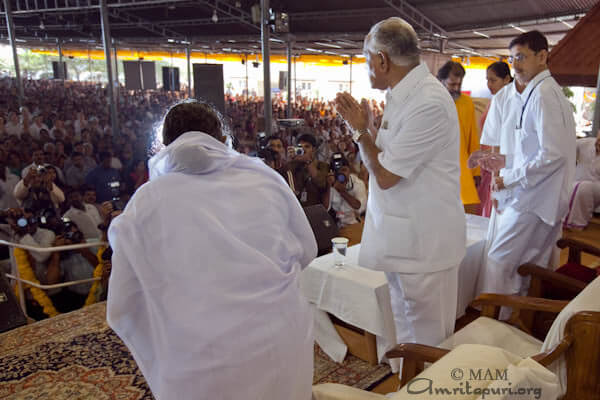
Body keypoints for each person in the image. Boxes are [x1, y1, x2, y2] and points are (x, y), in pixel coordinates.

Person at [106, 100, 317, 400]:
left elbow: (123, 306)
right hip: (282, 341)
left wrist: (169, 326)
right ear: (222, 141)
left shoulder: (146, 203)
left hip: (200, 365)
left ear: (163, 146)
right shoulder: (264, 178)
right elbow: (306, 250)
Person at [334, 17, 466, 355]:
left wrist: (361, 131)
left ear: (382, 59)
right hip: (403, 237)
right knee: (406, 330)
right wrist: (371, 132)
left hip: (424, 245)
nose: (367, 67)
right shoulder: (403, 92)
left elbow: (386, 175)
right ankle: (409, 387)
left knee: (427, 341)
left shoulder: (427, 102)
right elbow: (391, 156)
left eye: (366, 60)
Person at [476, 31, 575, 304]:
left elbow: (551, 155)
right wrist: (503, 172)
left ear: (542, 56)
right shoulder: (534, 91)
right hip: (533, 192)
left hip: (533, 195)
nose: (515, 65)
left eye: (521, 57)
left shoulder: (544, 94)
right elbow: (529, 150)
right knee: (531, 261)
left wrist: (508, 180)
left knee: (499, 258)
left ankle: (495, 319)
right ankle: (518, 315)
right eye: (512, 58)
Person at [437, 61, 481, 212]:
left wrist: (476, 172)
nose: (456, 89)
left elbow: (472, 138)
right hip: (437, 172)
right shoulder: (431, 102)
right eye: (452, 84)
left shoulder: (466, 102)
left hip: (462, 171)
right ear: (441, 81)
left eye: (459, 85)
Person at [478, 61, 513, 217]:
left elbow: (499, 140)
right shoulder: (496, 100)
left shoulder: (507, 102)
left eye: (493, 80)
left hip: (497, 165)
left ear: (506, 79)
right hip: (488, 163)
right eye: (487, 80)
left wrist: (496, 174)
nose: (489, 84)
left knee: (494, 209)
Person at [325, 154, 367, 246]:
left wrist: (342, 192)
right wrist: (329, 186)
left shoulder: (358, 184)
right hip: (336, 227)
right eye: (338, 171)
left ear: (349, 170)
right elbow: (326, 208)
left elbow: (359, 207)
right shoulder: (330, 182)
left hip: (354, 224)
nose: (341, 174)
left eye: (344, 170)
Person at [563, 133, 600, 230]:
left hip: (596, 191)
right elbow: (564, 149)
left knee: (583, 187)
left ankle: (576, 224)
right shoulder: (585, 143)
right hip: (574, 185)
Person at [286, 133, 330, 207]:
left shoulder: (323, 166)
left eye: (307, 146)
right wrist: (289, 160)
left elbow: (321, 183)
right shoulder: (293, 165)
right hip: (297, 208)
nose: (303, 150)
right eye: (300, 147)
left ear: (314, 150)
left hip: (316, 209)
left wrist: (308, 162)